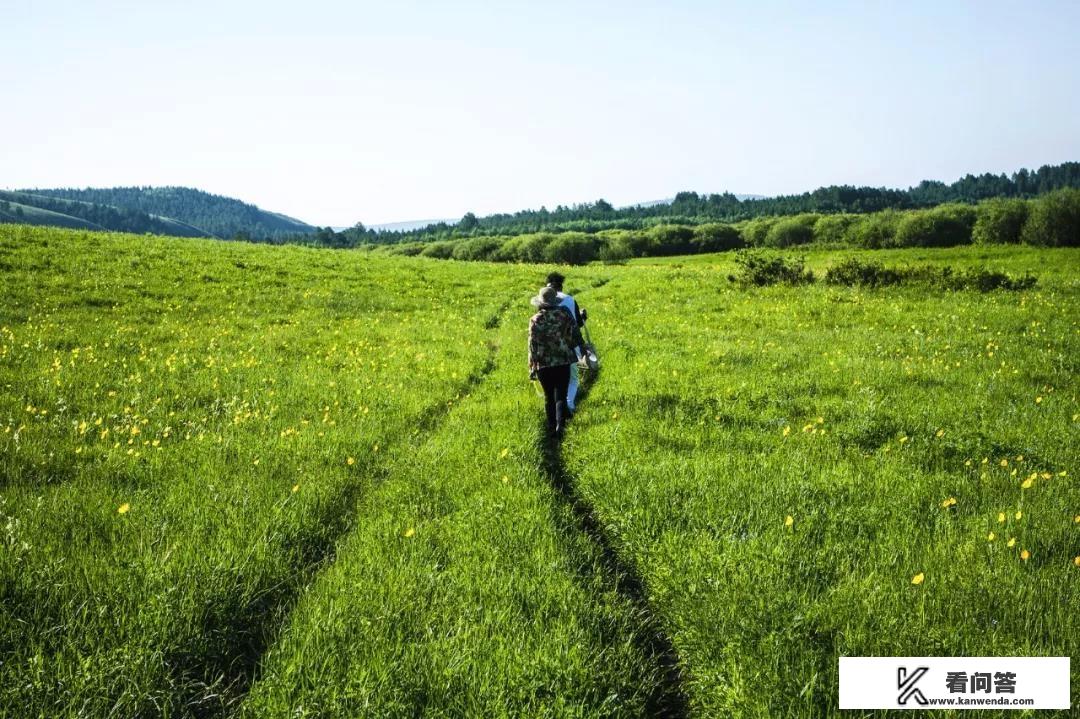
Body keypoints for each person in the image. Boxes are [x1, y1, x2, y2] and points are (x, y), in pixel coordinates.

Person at [529, 285, 584, 437]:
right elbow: (573, 335)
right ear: (555, 301)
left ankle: (551, 426)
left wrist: (532, 367)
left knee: (548, 397)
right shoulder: (564, 315)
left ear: (540, 303)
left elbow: (532, 345)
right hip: (563, 361)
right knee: (560, 395)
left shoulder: (534, 320)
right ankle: (561, 426)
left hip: (543, 364)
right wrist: (580, 349)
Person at [545, 272, 587, 412]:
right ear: (561, 286)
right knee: (572, 379)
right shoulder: (570, 300)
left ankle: (555, 410)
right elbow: (577, 325)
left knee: (553, 381)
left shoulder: (543, 301)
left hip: (548, 349)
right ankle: (568, 405)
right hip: (569, 345)